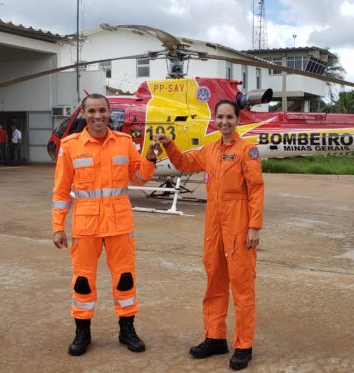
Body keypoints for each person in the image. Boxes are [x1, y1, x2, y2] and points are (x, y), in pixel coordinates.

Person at [156, 99, 264, 371]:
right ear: (215, 120)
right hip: (213, 225)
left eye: (229, 117)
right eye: (220, 117)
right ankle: (215, 337)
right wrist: (169, 144)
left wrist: (254, 227)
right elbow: (183, 162)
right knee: (214, 281)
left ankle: (243, 344)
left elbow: (256, 190)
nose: (225, 122)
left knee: (241, 285)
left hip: (239, 225)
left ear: (237, 120)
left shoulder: (247, 151)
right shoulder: (210, 150)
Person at [51, 93, 157, 356]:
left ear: (110, 113)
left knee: (124, 279)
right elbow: (61, 191)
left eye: (102, 110)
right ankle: (82, 331)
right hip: (86, 226)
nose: (97, 116)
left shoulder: (123, 142)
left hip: (120, 224)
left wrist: (151, 157)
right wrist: (57, 226)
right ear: (84, 115)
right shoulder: (70, 145)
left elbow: (141, 177)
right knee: (83, 281)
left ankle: (127, 329)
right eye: (91, 111)